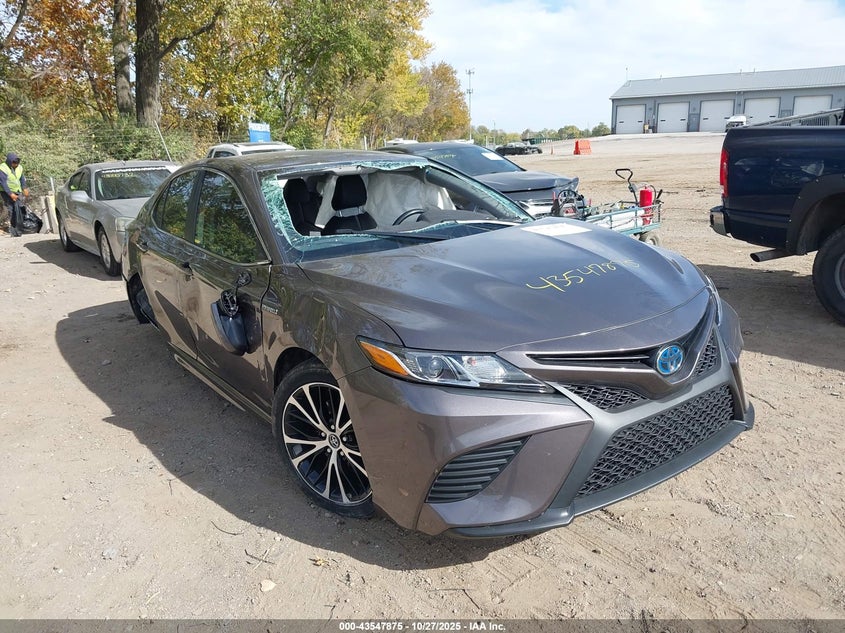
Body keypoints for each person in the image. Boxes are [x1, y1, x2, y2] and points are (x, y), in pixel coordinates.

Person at [0, 152, 30, 237]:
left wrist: (24, 188)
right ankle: (13, 229)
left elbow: (22, 179)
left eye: (17, 163)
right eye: (14, 163)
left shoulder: (19, 167)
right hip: (6, 192)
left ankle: (19, 227)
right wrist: (10, 194)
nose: (16, 165)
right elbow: (3, 183)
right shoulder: (3, 168)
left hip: (17, 190)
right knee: (11, 209)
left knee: (19, 208)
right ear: (9, 162)